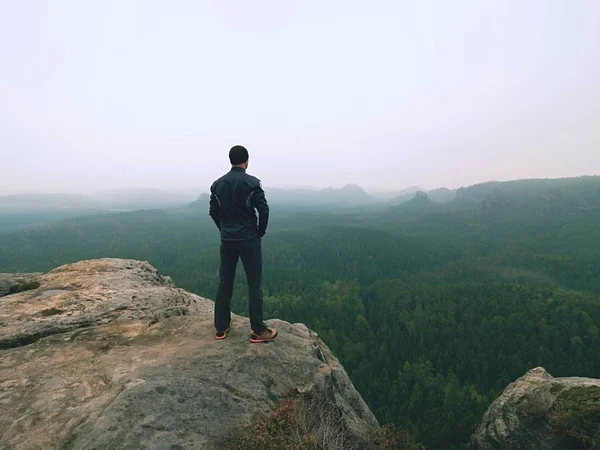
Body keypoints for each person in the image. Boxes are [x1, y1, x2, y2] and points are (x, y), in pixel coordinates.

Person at [209, 145, 277, 343]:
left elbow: (213, 212)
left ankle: (221, 328)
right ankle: (257, 330)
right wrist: (259, 233)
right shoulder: (252, 183)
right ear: (246, 161)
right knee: (254, 283)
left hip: (227, 240)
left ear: (230, 160)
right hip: (249, 240)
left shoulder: (217, 185)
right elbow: (263, 210)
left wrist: (224, 230)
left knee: (225, 282)